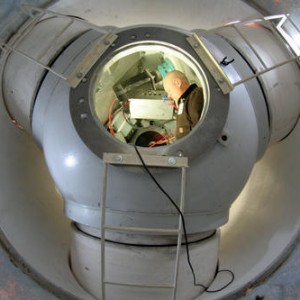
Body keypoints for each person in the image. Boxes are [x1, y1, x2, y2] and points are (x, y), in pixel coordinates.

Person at [163, 70, 204, 139]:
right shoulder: (185, 101)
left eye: (169, 90)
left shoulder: (195, 95)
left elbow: (199, 128)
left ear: (177, 83)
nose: (169, 96)